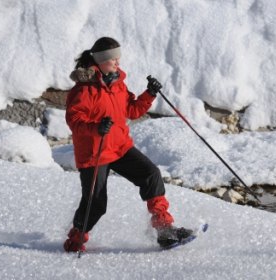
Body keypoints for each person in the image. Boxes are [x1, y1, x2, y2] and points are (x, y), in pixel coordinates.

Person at [63, 37, 192, 252]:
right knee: (96, 204)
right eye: (113, 59)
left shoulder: (117, 83)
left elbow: (132, 110)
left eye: (118, 59)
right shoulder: (84, 89)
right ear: (101, 61)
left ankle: (164, 229)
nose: (117, 63)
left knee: (150, 174)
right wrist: (96, 127)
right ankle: (75, 240)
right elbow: (74, 121)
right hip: (95, 153)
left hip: (119, 147)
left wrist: (149, 94)